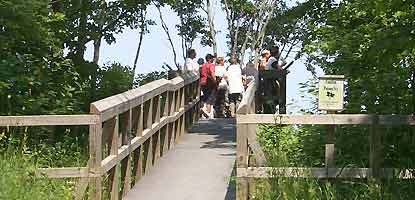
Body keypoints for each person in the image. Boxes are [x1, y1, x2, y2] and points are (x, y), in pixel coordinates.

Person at [199, 54, 216, 119]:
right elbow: (212, 72)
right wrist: (214, 80)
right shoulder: (211, 65)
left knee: (205, 97)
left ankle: (203, 109)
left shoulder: (203, 65)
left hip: (202, 83)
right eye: (212, 59)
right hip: (209, 83)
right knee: (210, 99)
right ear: (209, 59)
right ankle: (208, 113)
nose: (213, 60)